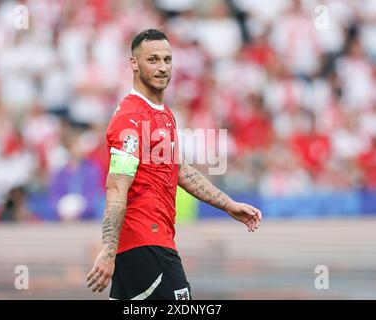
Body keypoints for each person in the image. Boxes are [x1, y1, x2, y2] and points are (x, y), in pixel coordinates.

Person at [86, 29, 262, 300]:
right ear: (134, 63)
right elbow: (117, 188)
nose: (162, 67)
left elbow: (179, 169)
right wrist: (108, 251)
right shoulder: (130, 118)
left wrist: (228, 204)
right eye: (153, 60)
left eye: (167, 60)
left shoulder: (164, 115)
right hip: (146, 244)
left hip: (152, 243)